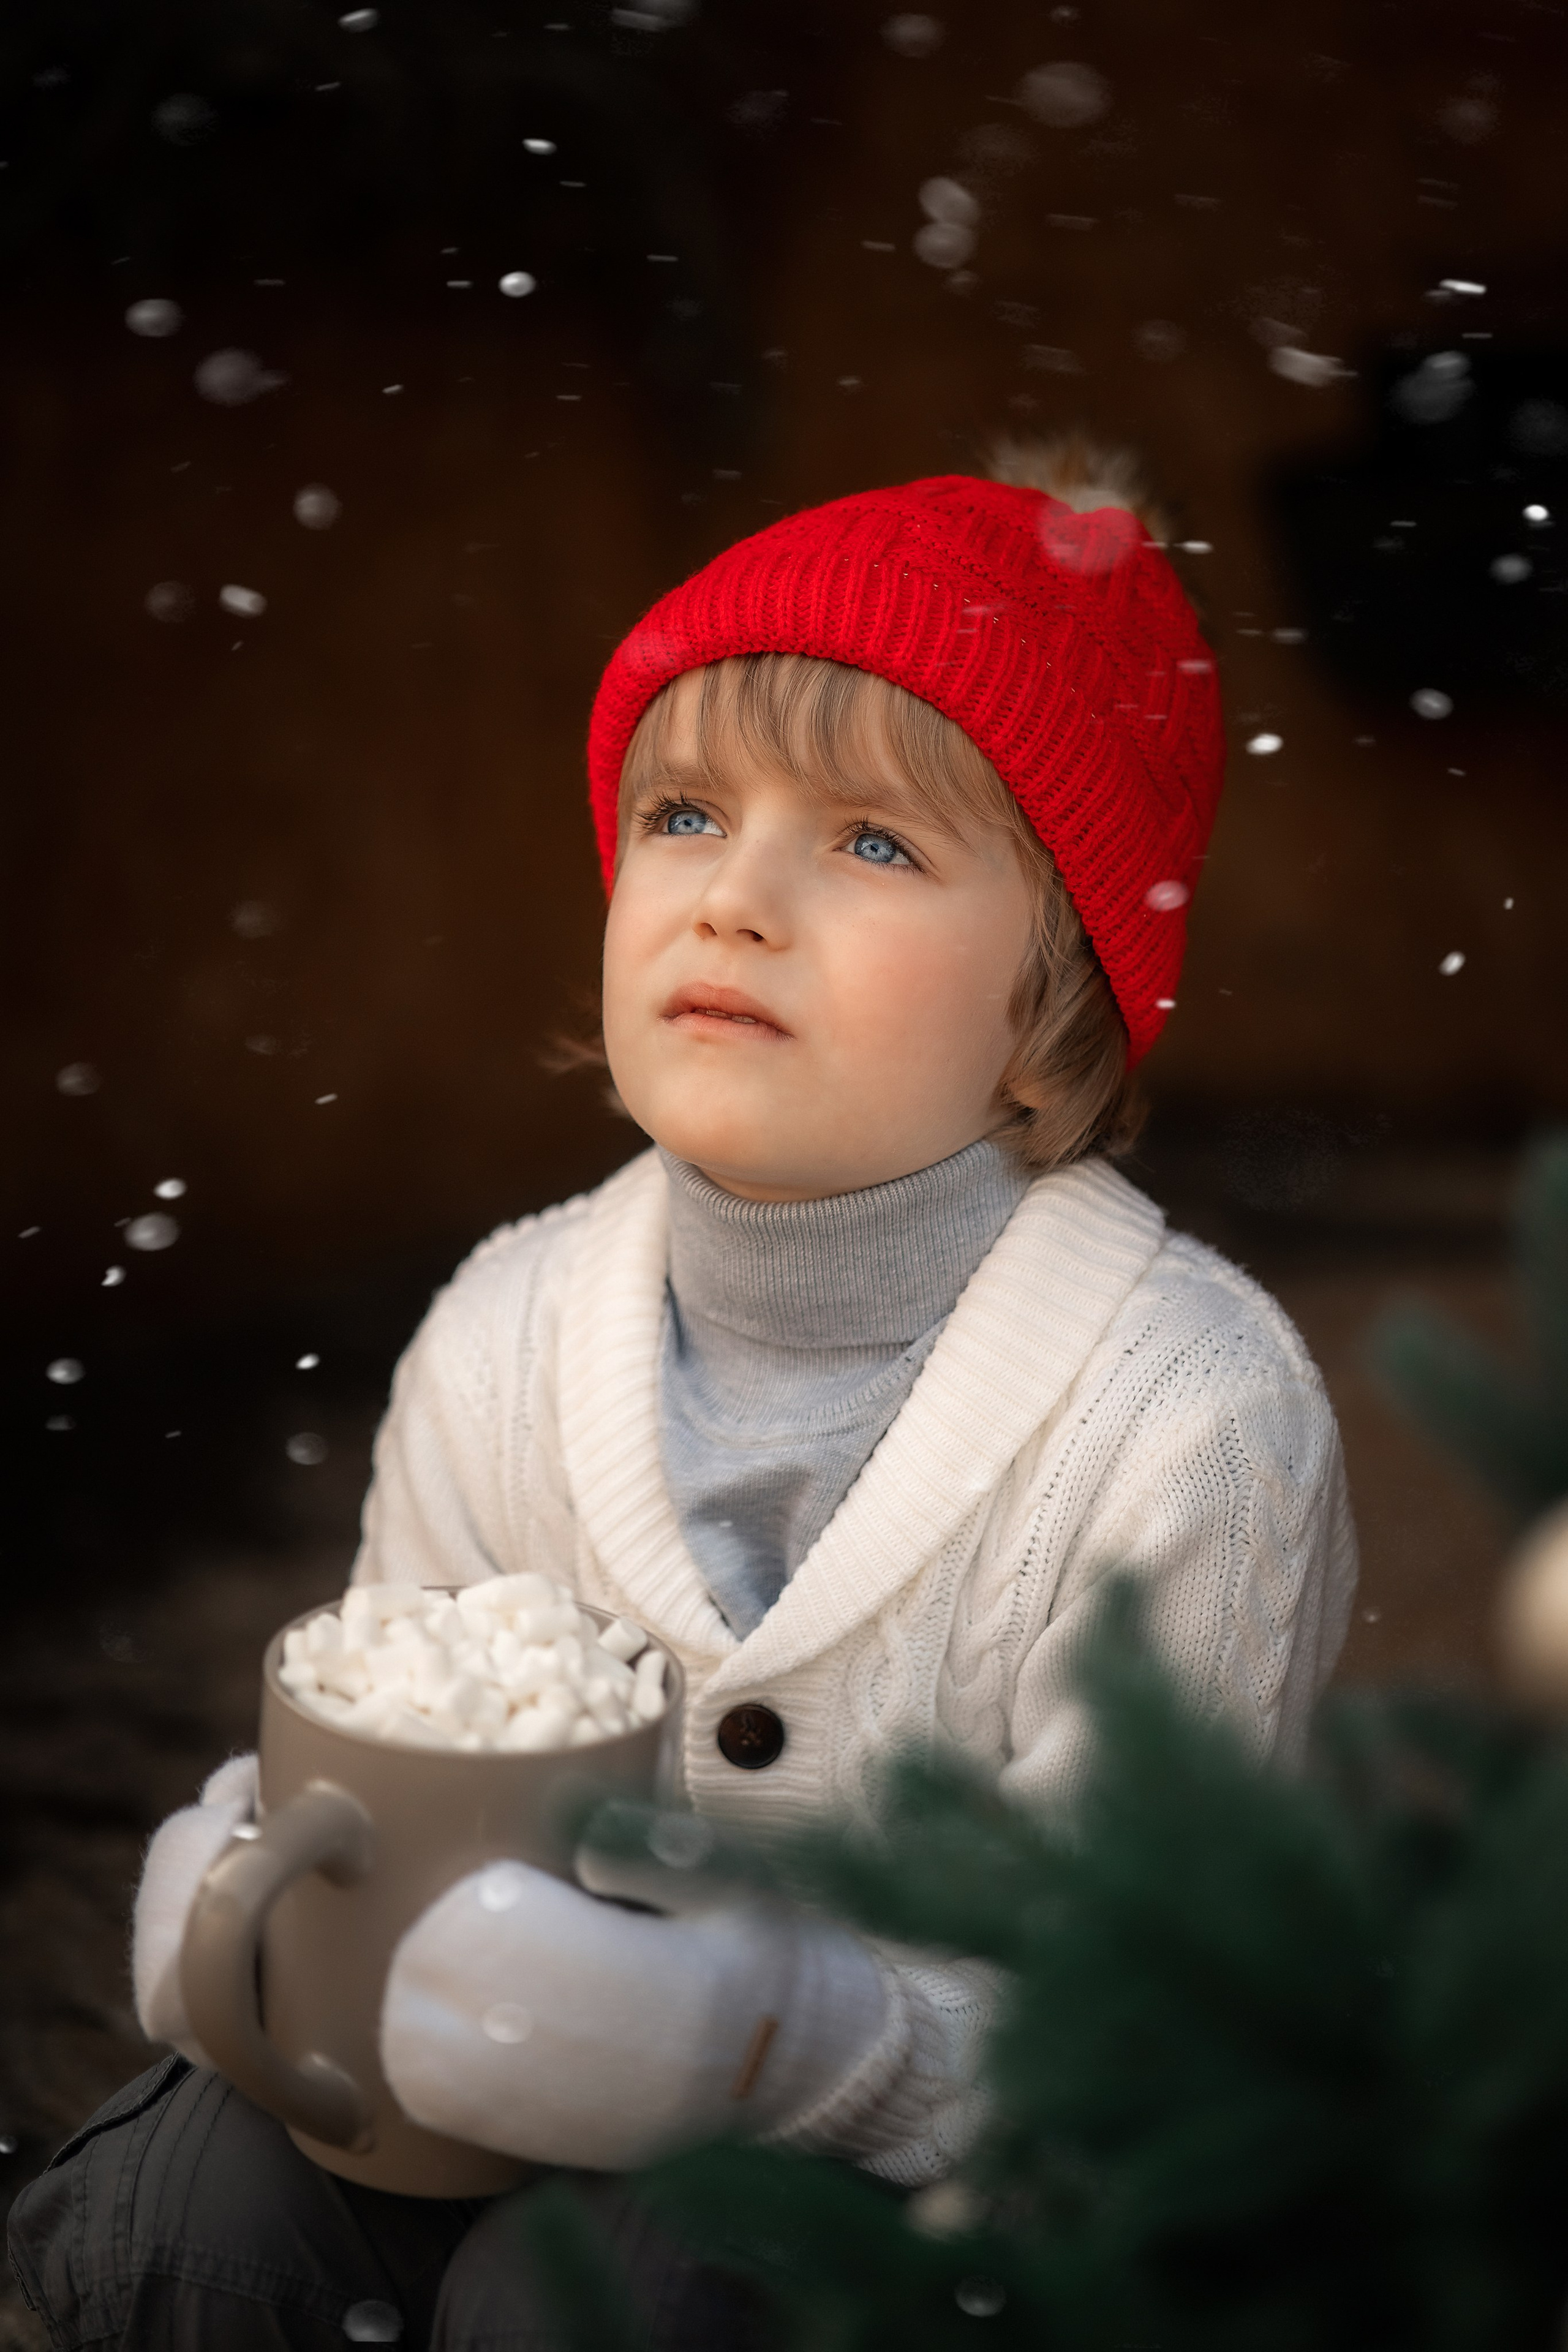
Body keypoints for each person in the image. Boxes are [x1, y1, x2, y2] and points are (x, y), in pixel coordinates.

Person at [9, 441, 1358, 2348]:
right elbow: (394, 1742)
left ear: (1054, 999)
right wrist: (253, 1890)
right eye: (684, 814)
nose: (738, 900)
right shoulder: (506, 1326)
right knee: (186, 2208)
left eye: (876, 843)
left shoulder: (1184, 1419)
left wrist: (768, 2040)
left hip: (968, 2198)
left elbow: (1141, 2037)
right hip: (482, 2117)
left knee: (618, 2291)